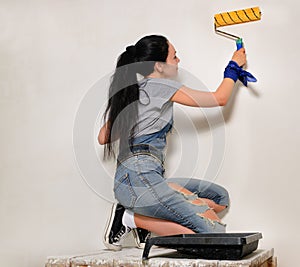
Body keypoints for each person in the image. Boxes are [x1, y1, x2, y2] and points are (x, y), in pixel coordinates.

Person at [98, 35, 248, 251]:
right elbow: (219, 98)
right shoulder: (161, 86)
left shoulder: (131, 93)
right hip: (140, 177)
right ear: (159, 66)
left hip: (137, 178)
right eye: (174, 56)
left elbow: (103, 138)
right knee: (214, 236)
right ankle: (129, 218)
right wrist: (234, 66)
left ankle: (140, 214)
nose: (178, 60)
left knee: (219, 197)